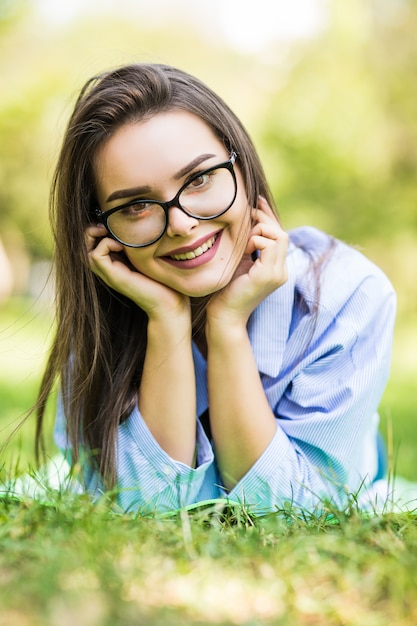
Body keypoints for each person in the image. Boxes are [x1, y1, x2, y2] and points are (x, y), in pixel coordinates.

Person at [35, 63, 396, 516]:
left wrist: (227, 326)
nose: (182, 225)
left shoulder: (348, 296)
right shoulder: (101, 309)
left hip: (352, 452)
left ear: (241, 168)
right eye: (138, 205)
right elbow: (147, 508)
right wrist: (165, 320)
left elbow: (296, 510)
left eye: (200, 178)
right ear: (102, 229)